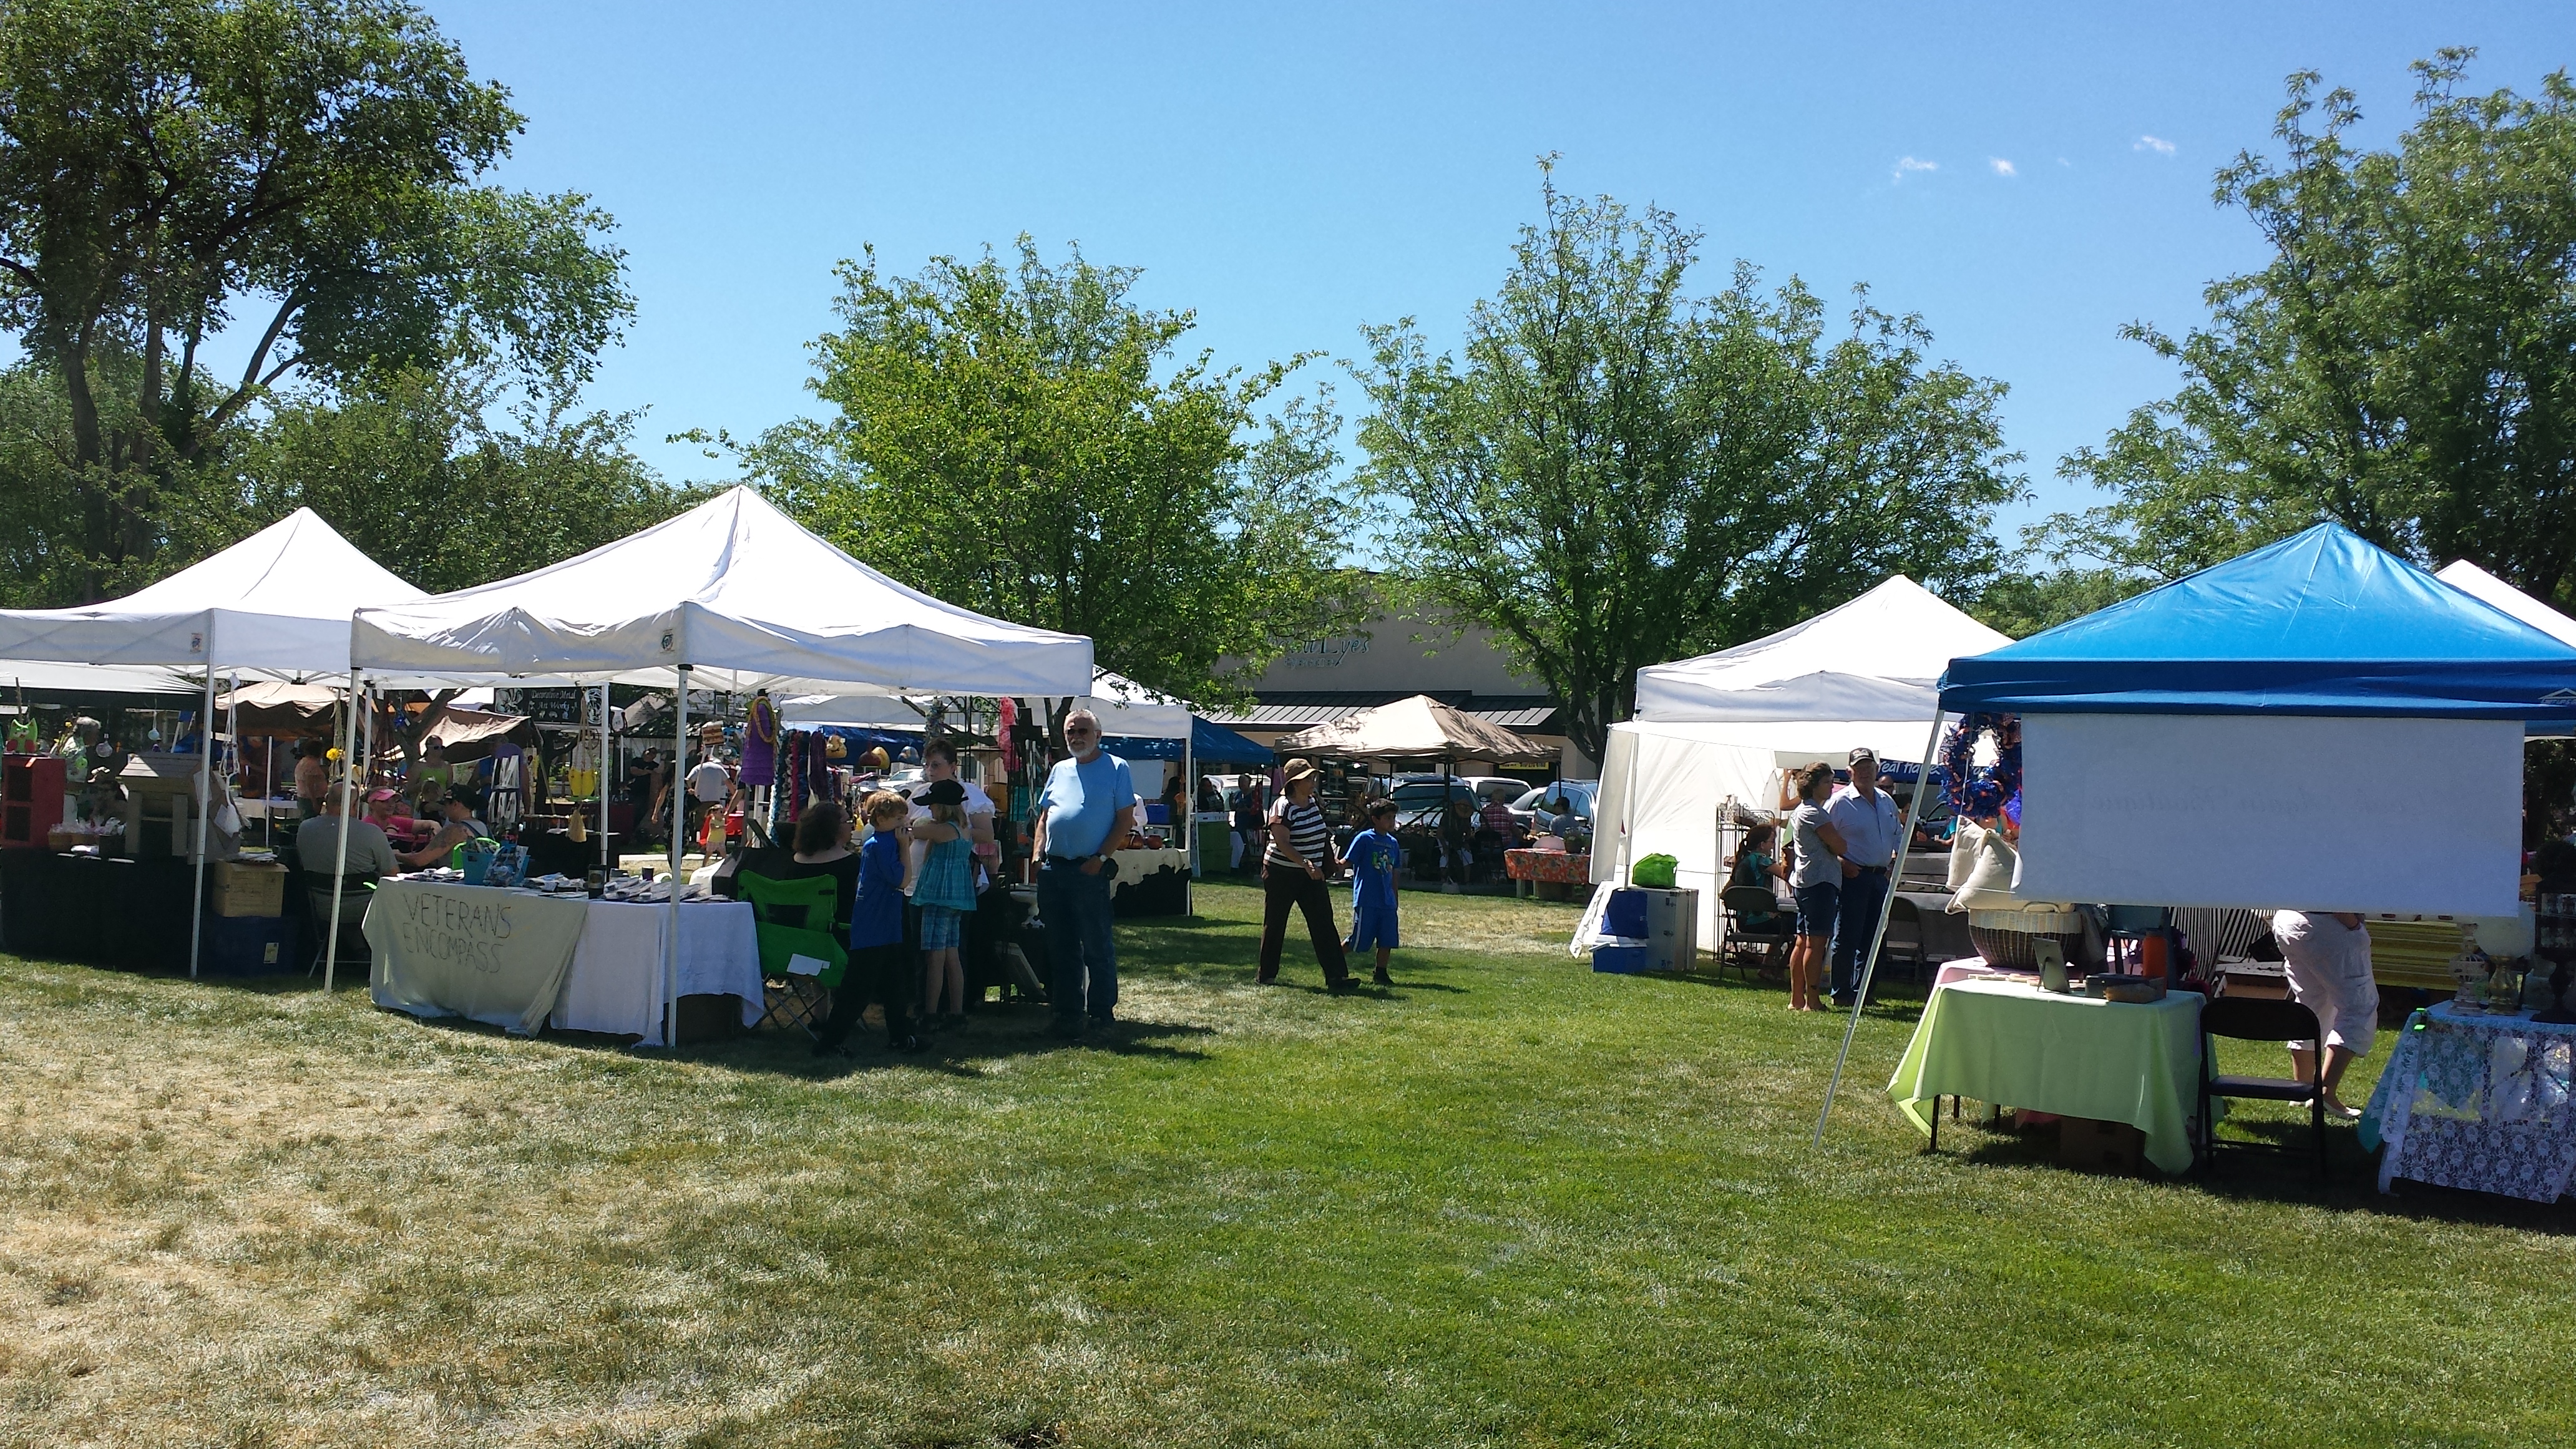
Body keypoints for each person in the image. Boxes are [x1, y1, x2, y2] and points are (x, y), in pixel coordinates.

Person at [1031, 710, 1136, 1038]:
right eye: (1070, 732)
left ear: (1098, 735)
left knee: (1096, 945)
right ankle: (1066, 1013)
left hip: (1089, 869)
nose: (1076, 737)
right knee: (1060, 946)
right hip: (1054, 868)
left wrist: (1101, 857)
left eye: (1083, 731)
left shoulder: (1117, 768)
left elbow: (1124, 820)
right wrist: (1037, 855)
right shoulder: (1060, 769)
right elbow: (1045, 816)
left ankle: (1101, 1014)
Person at [814, 792, 922, 1056]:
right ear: (882, 819)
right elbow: (901, 880)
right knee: (856, 989)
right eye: (898, 817)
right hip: (873, 927)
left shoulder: (883, 842)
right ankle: (830, 1042)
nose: (904, 821)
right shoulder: (880, 845)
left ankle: (901, 1037)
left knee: (895, 986)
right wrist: (905, 850)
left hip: (887, 925)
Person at [1258, 758, 1360, 992]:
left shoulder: (1313, 802)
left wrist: (1329, 863)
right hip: (1281, 873)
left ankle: (1337, 977)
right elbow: (1282, 843)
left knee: (1323, 922)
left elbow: (1321, 834)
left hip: (1312, 875)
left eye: (1313, 777)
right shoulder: (1282, 807)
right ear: (1295, 782)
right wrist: (1306, 863)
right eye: (1308, 778)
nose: (1313, 781)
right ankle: (1267, 975)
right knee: (1275, 923)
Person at [2271, 910, 2378, 1118]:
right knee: (2359, 1007)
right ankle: (2324, 1093)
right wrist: (2353, 925)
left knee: (2312, 1003)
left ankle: (2301, 1090)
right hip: (2327, 921)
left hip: (2287, 919)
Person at [1823, 748, 1901, 1010]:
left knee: (1876, 939)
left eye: (1870, 767)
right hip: (1853, 876)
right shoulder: (1838, 802)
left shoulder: (1886, 801)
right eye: (1860, 767)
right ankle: (1841, 992)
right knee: (1847, 936)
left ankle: (1864, 992)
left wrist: (1895, 863)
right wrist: (1841, 863)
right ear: (1850, 771)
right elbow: (1821, 840)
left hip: (1880, 877)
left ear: (1877, 770)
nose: (1866, 772)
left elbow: (1898, 836)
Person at [912, 778, 977, 1027]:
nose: (929, 810)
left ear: (943, 807)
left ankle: (930, 1013)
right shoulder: (963, 829)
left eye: (932, 806)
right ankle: (956, 1012)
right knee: (952, 956)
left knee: (935, 958)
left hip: (937, 896)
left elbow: (913, 830)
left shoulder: (941, 830)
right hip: (958, 897)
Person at [1784, 763, 1848, 1013]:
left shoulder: (1801, 811)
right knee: (1815, 942)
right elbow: (1840, 846)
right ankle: (1812, 1000)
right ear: (1812, 785)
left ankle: (1797, 999)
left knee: (1802, 941)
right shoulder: (1815, 814)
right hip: (1819, 881)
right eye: (1827, 782)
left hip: (1805, 881)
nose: (1831, 786)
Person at [1341, 796, 1402, 987]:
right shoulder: (1365, 839)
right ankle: (1333, 961)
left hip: (1387, 901)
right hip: (1367, 899)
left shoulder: (1393, 843)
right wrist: (1336, 866)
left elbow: (1394, 872)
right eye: (1388, 818)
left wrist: (1395, 897)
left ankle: (1381, 972)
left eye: (1393, 818)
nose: (1392, 822)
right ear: (1375, 819)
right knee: (1359, 939)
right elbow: (1348, 861)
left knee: (1387, 939)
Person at [783, 798, 861, 934]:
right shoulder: (852, 864)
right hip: (836, 938)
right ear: (833, 827)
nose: (852, 826)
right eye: (848, 821)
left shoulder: (793, 861)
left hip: (796, 933)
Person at [298, 783, 402, 882]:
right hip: (366, 898)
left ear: (327, 800)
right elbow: (393, 874)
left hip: (316, 896)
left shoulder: (305, 828)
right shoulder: (373, 833)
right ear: (355, 805)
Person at [1727, 822, 1788, 936]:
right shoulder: (1762, 860)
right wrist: (1787, 860)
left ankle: (1767, 955)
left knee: (1783, 930)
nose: (1773, 846)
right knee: (1799, 925)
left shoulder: (1743, 861)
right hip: (1762, 922)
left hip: (1743, 922)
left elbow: (1724, 894)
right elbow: (1786, 875)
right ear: (1762, 845)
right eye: (1772, 842)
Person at [401, 791, 487, 870]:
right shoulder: (483, 827)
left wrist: (396, 854)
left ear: (455, 805)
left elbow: (419, 860)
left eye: (445, 805)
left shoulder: (455, 830)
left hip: (456, 883)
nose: (444, 810)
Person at [1232, 773, 1265, 875]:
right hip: (1239, 824)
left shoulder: (1254, 795)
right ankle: (1238, 866)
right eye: (1240, 782)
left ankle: (1248, 868)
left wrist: (1247, 809)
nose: (1241, 784)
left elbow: (1257, 809)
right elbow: (1234, 806)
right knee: (1239, 845)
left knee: (1249, 847)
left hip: (1250, 825)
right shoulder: (1237, 794)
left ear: (1249, 783)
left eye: (1244, 782)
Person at [292, 738, 329, 819]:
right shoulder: (311, 765)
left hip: (305, 798)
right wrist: (314, 802)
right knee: (310, 820)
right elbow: (310, 784)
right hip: (310, 800)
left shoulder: (304, 761)